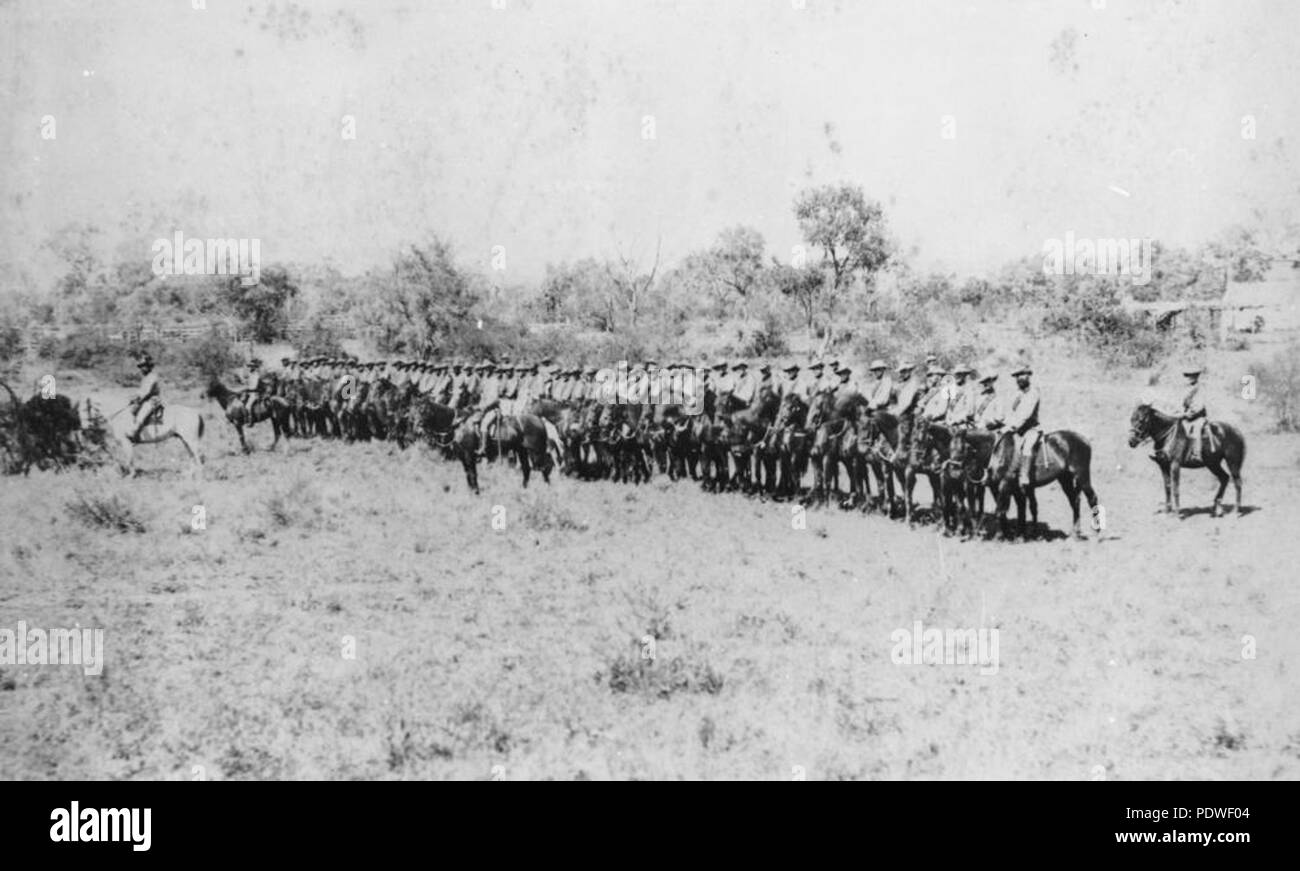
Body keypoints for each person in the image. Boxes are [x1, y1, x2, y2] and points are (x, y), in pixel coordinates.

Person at [1004, 365, 1041, 488]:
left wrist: (1014, 426)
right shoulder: (1018, 394)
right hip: (1018, 429)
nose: (1019, 379)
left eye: (1021, 375)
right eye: (1017, 377)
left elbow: (1026, 414)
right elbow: (1010, 409)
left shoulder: (1033, 393)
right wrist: (1008, 423)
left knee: (1027, 448)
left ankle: (1024, 476)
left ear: (1028, 376)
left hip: (1031, 429)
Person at [127, 353, 162, 442]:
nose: (141, 369)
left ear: (149, 366)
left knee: (141, 414)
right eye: (141, 366)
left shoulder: (152, 377)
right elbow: (140, 391)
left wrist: (137, 399)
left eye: (143, 366)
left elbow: (146, 392)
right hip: (145, 400)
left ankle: (133, 434)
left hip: (151, 401)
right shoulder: (146, 377)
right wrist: (133, 397)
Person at [1180, 366, 1208, 463]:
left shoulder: (1200, 389)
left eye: (1191, 376)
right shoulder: (1187, 390)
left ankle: (1197, 455)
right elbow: (1182, 403)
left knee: (1196, 430)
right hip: (1187, 417)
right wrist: (1181, 412)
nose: (1188, 378)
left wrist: (1189, 414)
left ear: (1196, 377)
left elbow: (1199, 406)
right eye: (1187, 376)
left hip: (1198, 417)